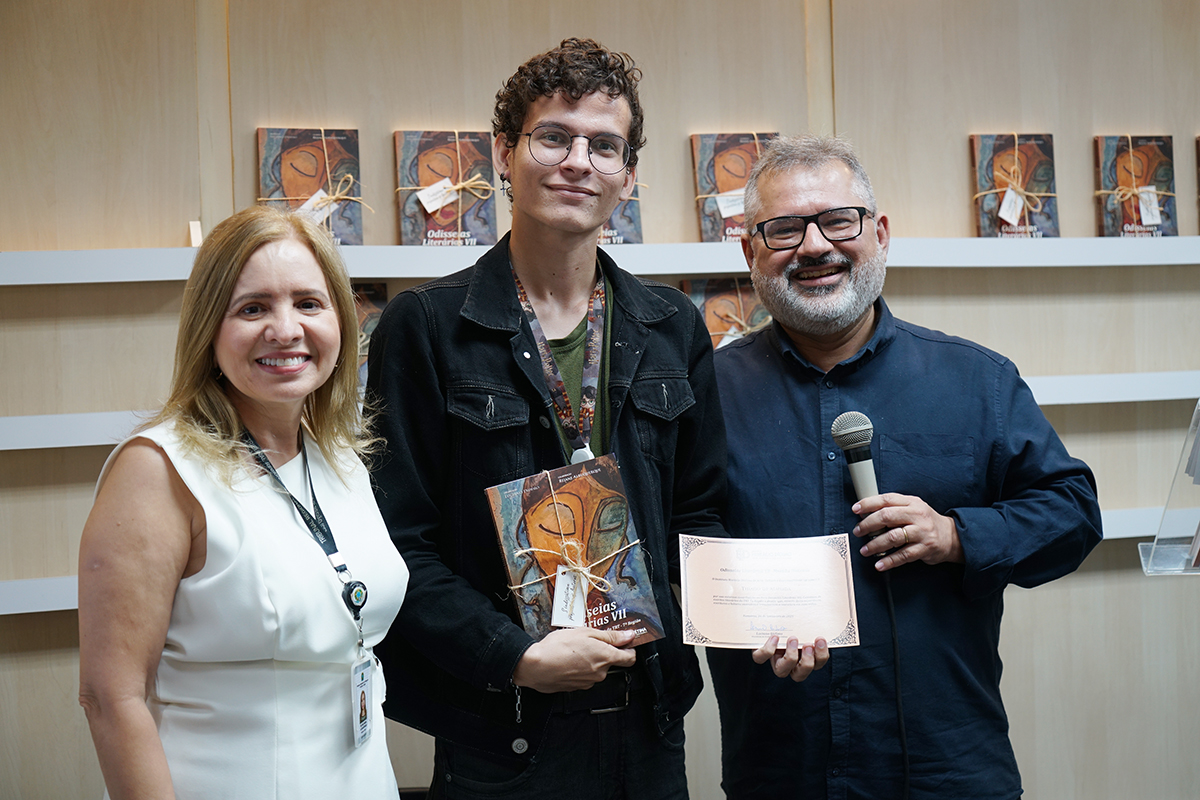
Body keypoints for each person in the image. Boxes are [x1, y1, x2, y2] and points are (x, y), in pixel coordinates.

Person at [367, 38, 726, 799]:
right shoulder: (425, 328)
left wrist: (757, 617)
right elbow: (400, 546)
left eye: (604, 146)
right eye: (553, 137)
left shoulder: (673, 327)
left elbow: (703, 514)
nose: (577, 162)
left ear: (628, 178)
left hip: (650, 719)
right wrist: (515, 654)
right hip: (506, 728)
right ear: (504, 152)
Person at [706, 135, 1103, 799]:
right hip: (781, 771)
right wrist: (744, 617)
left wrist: (956, 537)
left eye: (838, 220)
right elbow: (678, 542)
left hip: (948, 770)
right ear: (750, 253)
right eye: (783, 229)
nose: (813, 247)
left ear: (880, 233)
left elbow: (1072, 513)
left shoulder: (975, 381)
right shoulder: (706, 396)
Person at [77, 206, 409, 799]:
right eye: (253, 308)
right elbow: (111, 697)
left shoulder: (341, 457)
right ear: (209, 327)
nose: (285, 329)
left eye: (309, 303)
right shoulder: (157, 469)